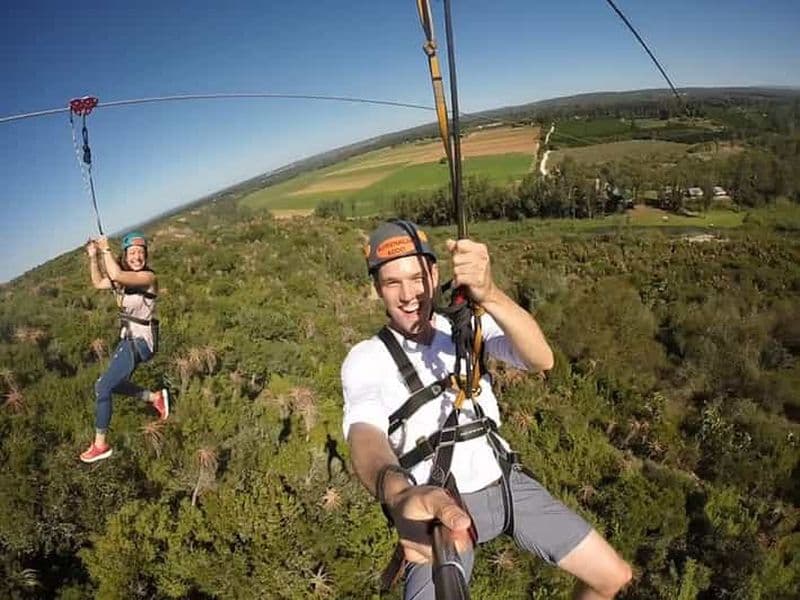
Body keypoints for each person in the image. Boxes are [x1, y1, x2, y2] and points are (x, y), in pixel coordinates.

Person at [341, 220, 632, 599]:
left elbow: (541, 358)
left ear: (435, 273)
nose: (409, 294)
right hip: (438, 506)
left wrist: (490, 293)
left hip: (507, 481)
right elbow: (366, 439)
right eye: (393, 283)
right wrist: (399, 497)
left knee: (612, 577)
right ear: (378, 289)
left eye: (417, 278)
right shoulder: (367, 359)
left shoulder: (466, 323)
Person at [80, 231, 169, 463]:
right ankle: (154, 397)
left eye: (141, 252)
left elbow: (116, 273)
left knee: (103, 388)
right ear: (126, 255)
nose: (137, 257)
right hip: (128, 340)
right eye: (132, 253)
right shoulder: (122, 280)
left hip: (141, 342)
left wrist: (106, 249)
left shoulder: (148, 278)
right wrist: (93, 256)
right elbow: (99, 281)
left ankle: (100, 444)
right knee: (108, 384)